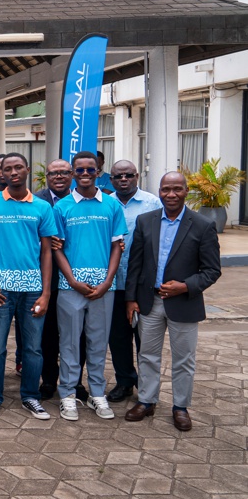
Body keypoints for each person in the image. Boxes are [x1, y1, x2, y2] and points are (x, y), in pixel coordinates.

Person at [124, 172, 221, 431]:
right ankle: (146, 401)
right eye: (166, 189)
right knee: (147, 355)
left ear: (186, 191)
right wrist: (131, 299)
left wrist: (185, 286)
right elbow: (135, 264)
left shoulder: (202, 225)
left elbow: (212, 270)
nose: (171, 194)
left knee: (184, 360)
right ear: (159, 191)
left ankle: (180, 407)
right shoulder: (146, 221)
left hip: (184, 303)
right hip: (149, 302)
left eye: (177, 189)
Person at [0, 152, 55, 421]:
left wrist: (46, 292)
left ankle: (30, 396)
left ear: (27, 170)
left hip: (33, 288)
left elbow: (47, 251)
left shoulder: (42, 207)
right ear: (1, 174)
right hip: (0, 289)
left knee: (33, 348)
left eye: (18, 167)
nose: (13, 172)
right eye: (7, 169)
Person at [53, 151, 126, 421]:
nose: (85, 174)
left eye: (90, 169)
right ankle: (67, 395)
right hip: (70, 286)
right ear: (73, 173)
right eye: (80, 170)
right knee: (69, 343)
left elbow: (117, 246)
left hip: (103, 287)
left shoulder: (111, 205)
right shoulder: (62, 207)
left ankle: (97, 394)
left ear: (98, 172)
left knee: (98, 343)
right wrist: (72, 280)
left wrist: (108, 281)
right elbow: (56, 248)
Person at [107, 160, 162, 403]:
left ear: (137, 176)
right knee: (118, 338)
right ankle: (125, 382)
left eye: (128, 175)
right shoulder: (106, 203)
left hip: (142, 284)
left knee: (145, 339)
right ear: (111, 179)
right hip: (113, 283)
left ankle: (147, 387)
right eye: (118, 176)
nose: (123, 179)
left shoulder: (152, 203)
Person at [35, 160, 88, 402]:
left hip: (77, 279)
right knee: (47, 335)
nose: (59, 177)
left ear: (72, 175)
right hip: (45, 280)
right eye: (53, 173)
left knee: (78, 335)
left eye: (64, 173)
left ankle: (75, 381)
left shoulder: (84, 201)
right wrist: (46, 241)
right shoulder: (36, 201)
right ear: (46, 176)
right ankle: (48, 380)